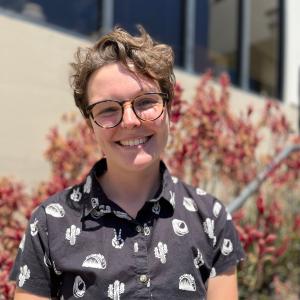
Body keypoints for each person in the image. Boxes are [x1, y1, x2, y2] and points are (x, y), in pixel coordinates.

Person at [10, 26, 245, 299]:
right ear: (90, 126)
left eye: (146, 102)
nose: (131, 121)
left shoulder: (211, 217)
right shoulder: (49, 224)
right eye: (108, 109)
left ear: (168, 111)